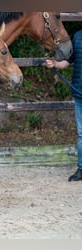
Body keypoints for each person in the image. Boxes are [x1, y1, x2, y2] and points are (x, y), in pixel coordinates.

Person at [46, 29, 82, 181]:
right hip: (79, 92)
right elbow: (69, 60)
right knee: (81, 134)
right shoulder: (78, 36)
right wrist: (55, 63)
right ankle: (81, 168)